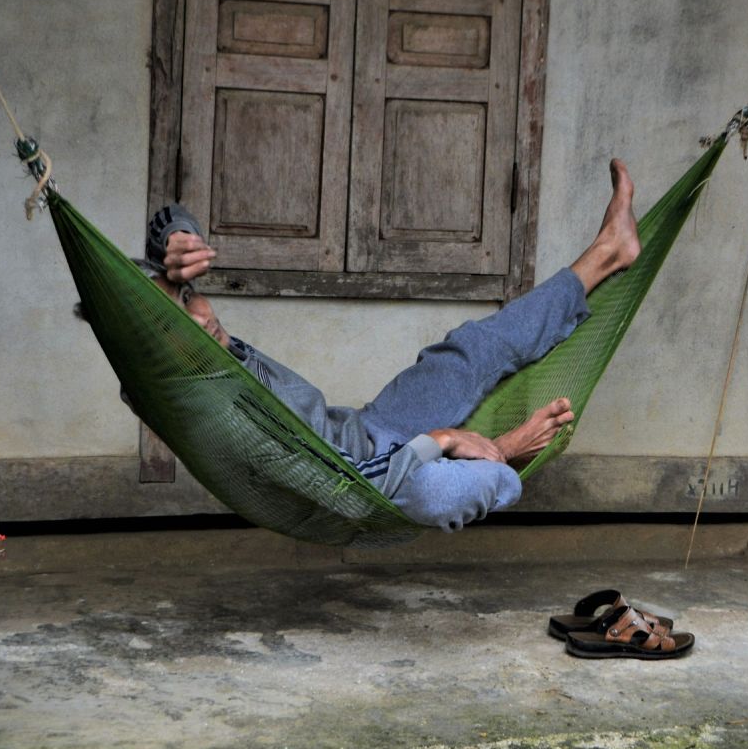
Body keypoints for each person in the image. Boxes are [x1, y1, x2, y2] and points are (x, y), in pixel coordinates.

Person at [137, 161, 641, 532]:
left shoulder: (202, 351)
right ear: (154, 346)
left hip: (372, 427)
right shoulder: (213, 415)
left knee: (473, 350)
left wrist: (178, 236)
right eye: (174, 319)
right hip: (372, 486)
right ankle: (499, 456)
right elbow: (350, 488)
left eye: (188, 296)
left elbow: (169, 219)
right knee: (435, 494)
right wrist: (447, 441)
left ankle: (606, 253)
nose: (201, 316)